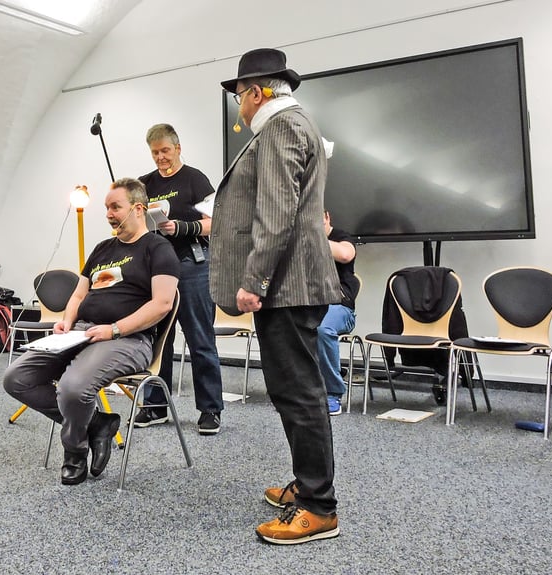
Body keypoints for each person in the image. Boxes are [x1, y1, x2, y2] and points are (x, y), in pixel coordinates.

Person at [209, 48, 341, 545]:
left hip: (287, 285)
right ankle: (308, 486)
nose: (239, 109)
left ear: (256, 92)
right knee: (294, 391)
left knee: (299, 393)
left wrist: (254, 280)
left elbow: (277, 212)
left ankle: (318, 507)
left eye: (240, 97)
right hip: (292, 283)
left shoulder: (281, 126)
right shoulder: (293, 124)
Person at [3, 178, 179, 485]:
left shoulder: (158, 248)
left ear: (138, 209)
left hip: (128, 339)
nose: (109, 214)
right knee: (16, 378)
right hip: (82, 333)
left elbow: (163, 304)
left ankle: (74, 451)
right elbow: (78, 296)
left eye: (115, 207)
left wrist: (114, 329)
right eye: (107, 208)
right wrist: (66, 322)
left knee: (72, 388)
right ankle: (97, 423)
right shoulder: (102, 249)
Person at [133, 123, 225, 435]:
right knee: (158, 340)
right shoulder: (146, 184)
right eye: (155, 152)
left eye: (165, 151)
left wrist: (182, 228)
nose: (160, 157)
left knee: (200, 338)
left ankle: (210, 409)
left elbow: (217, 222)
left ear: (178, 148)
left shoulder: (195, 180)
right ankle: (156, 405)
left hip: (193, 266)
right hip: (158, 271)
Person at [318, 211, 358, 416]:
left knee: (322, 329)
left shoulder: (342, 237)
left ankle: (333, 392)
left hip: (340, 309)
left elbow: (345, 254)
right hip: (311, 305)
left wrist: (311, 235)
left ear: (327, 217)